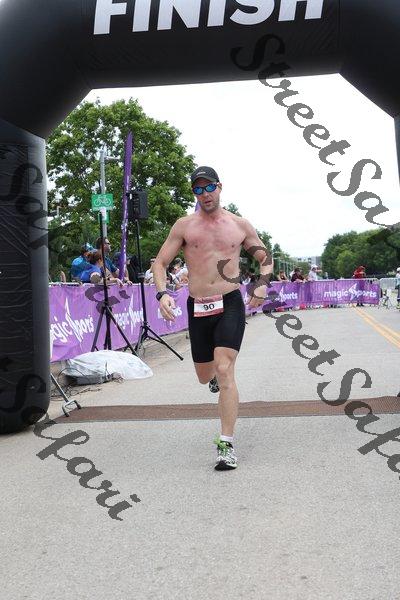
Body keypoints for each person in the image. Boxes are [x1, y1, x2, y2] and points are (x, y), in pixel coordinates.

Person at [153, 166, 272, 471]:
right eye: (198, 189)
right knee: (205, 375)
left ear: (220, 187)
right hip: (198, 307)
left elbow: (264, 258)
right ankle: (213, 380)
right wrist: (162, 294)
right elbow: (161, 262)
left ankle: (226, 445)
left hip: (229, 303)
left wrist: (261, 285)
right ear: (193, 193)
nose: (204, 194)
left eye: (209, 188)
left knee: (225, 368)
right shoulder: (184, 226)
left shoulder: (239, 225)